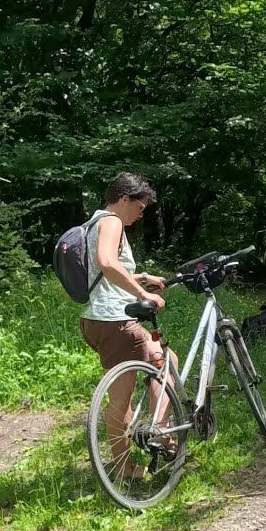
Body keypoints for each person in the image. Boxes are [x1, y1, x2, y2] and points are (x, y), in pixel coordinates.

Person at [79, 172, 180, 480]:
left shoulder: (92, 223)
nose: (141, 214)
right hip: (115, 321)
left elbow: (102, 274)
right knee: (120, 400)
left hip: (94, 320)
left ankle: (159, 433)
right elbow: (108, 263)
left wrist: (142, 278)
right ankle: (125, 467)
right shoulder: (111, 222)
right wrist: (143, 293)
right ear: (125, 199)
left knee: (166, 359)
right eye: (140, 207)